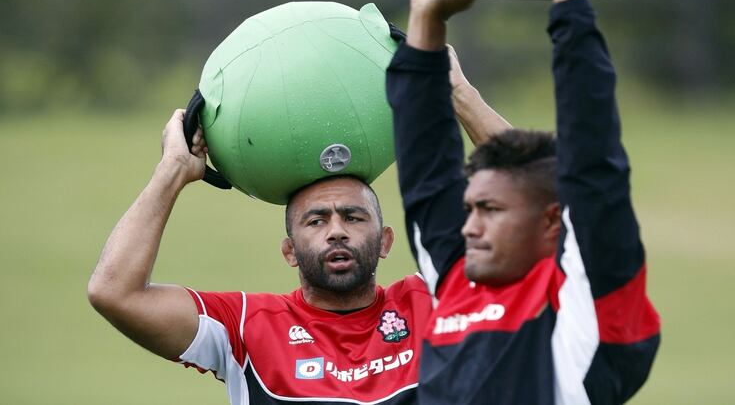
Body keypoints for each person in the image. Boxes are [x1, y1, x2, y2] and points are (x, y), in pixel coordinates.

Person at [87, 48, 509, 403]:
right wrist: (173, 170)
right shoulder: (247, 327)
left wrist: (459, 95)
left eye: (353, 216)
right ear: (289, 250)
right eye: (316, 220)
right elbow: (113, 291)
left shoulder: (438, 300)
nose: (337, 230)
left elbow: (549, 208)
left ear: (385, 242)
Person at [386, 0, 661, 403]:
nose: (469, 225)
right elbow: (427, 171)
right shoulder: (457, 279)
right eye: (472, 208)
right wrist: (426, 18)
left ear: (554, 221)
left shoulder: (585, 306)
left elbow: (593, 162)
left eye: (491, 211)